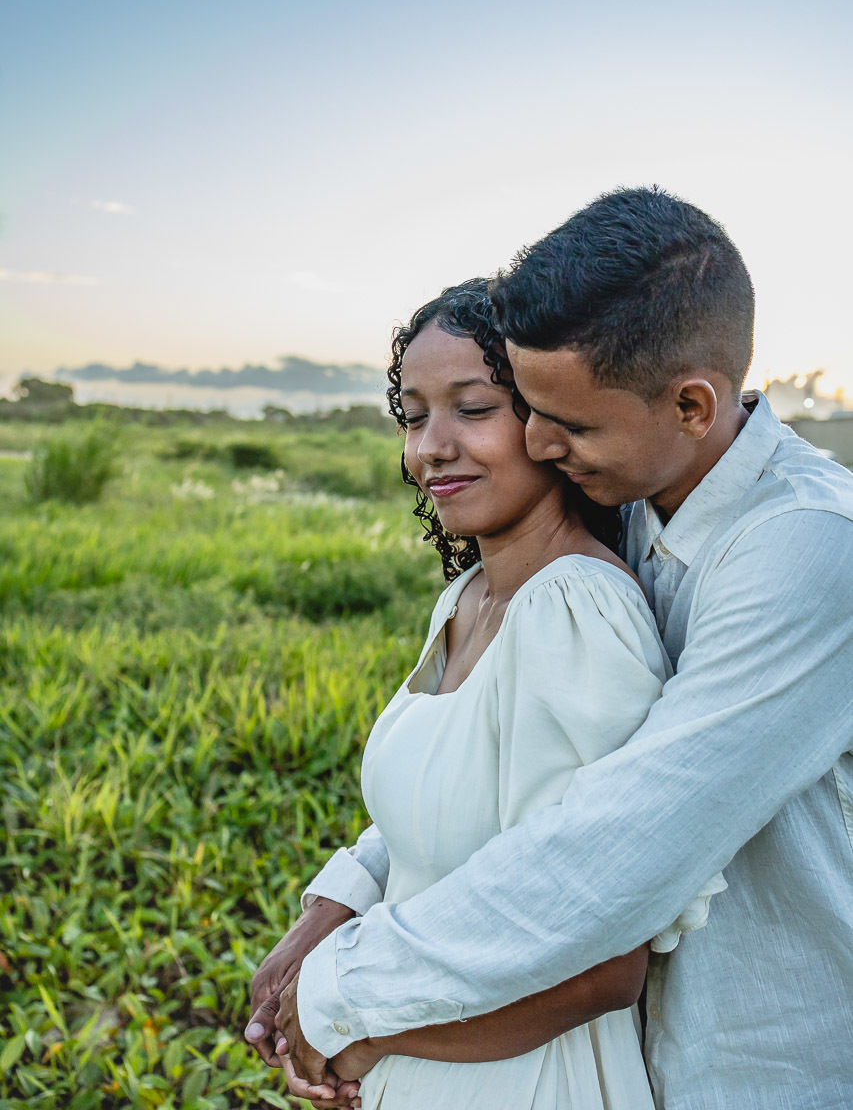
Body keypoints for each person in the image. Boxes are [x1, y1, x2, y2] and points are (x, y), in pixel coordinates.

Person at [248, 188, 853, 1109]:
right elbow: (482, 790)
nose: (535, 442)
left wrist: (342, 1000)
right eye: (525, 407)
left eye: (563, 421)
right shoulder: (637, 502)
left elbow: (626, 837)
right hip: (618, 1053)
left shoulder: (805, 548)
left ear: (691, 405)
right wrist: (339, 898)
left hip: (767, 1062)